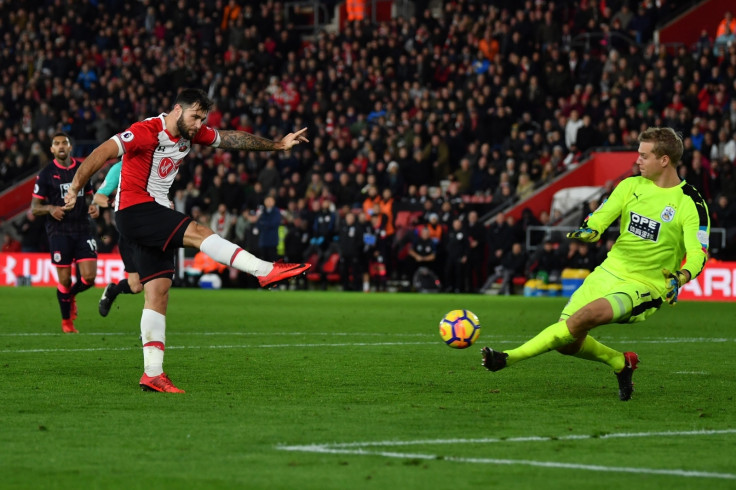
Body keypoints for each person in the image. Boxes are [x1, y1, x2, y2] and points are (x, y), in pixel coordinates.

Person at [63, 89, 311, 393]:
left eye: (203, 119)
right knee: (198, 232)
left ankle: (152, 374)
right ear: (178, 110)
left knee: (157, 291)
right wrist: (75, 187)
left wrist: (278, 145)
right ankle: (263, 270)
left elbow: (230, 138)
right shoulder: (145, 131)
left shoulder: (191, 134)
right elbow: (101, 153)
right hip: (135, 208)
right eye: (195, 117)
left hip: (154, 209)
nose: (199, 124)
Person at [480, 127, 710, 401]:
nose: (637, 161)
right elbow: (602, 215)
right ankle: (620, 362)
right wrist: (592, 229)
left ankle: (507, 358)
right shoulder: (630, 186)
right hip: (609, 271)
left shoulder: (690, 203)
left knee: (584, 318)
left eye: (644, 156)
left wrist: (681, 277)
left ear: (664, 160)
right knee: (568, 341)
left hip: (646, 284)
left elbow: (698, 253)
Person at [32, 132, 100, 333]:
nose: (61, 146)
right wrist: (51, 208)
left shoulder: (82, 169)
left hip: (82, 228)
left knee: (89, 278)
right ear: (52, 149)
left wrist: (93, 205)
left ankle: (70, 296)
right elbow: (35, 207)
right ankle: (67, 322)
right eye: (57, 144)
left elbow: (89, 196)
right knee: (64, 280)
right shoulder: (45, 174)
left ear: (70, 147)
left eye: (64, 143)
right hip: (59, 231)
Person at [93, 160, 145, 317]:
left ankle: (150, 333)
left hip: (151, 233)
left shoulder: (154, 164)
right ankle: (113, 291)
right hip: (129, 235)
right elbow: (98, 196)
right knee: (136, 287)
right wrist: (113, 202)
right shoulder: (119, 168)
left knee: (154, 283)